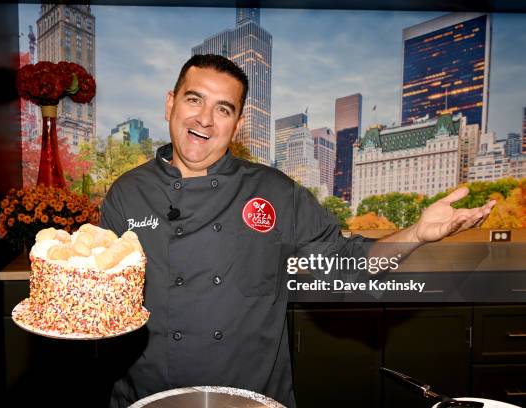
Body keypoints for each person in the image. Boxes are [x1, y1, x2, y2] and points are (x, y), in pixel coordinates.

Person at [100, 54, 495, 408]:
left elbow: (345, 263)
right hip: (149, 398)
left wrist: (416, 234)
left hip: (252, 400)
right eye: (194, 99)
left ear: (237, 124)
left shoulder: (275, 192)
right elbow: (103, 305)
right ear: (171, 102)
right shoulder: (127, 194)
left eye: (223, 109)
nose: (205, 119)